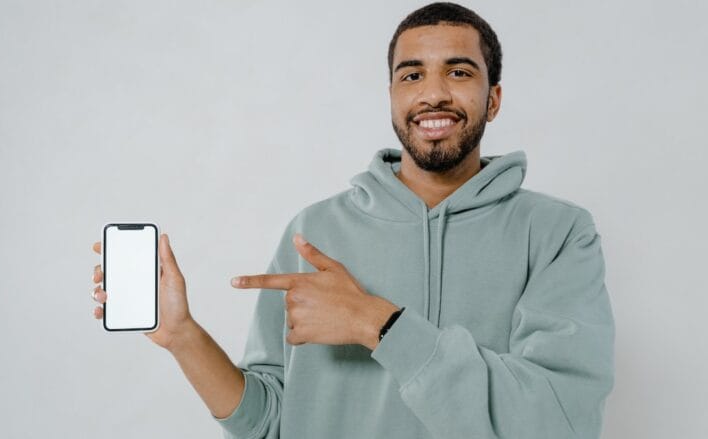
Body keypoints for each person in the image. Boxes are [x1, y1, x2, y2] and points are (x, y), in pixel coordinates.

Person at [90, 2, 615, 438]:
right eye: (412, 75)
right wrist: (182, 336)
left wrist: (376, 323)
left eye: (459, 72)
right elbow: (272, 421)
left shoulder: (558, 234)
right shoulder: (316, 230)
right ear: (392, 95)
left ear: (493, 99)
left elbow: (561, 419)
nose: (433, 92)